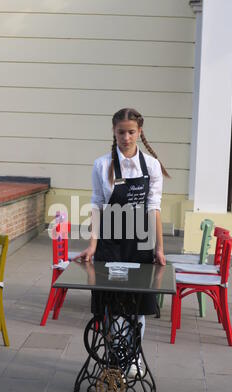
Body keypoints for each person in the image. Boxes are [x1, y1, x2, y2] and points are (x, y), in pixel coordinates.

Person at [78, 108, 168, 377]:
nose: (126, 137)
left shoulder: (151, 166)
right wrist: (92, 245)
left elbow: (154, 209)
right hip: (111, 244)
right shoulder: (101, 165)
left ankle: (134, 356)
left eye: (131, 132)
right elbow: (97, 206)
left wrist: (159, 249)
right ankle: (115, 356)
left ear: (139, 132)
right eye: (121, 132)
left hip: (140, 243)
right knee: (112, 304)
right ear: (113, 132)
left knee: (137, 305)